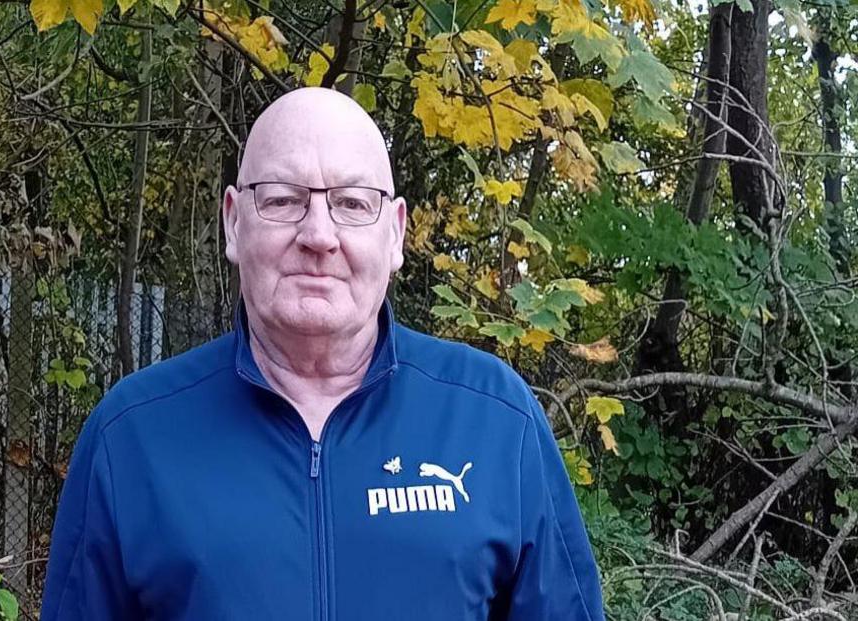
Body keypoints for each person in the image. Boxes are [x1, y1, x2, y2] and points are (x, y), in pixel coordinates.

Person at [40, 87, 604, 620]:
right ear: (234, 222)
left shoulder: (494, 419)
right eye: (284, 200)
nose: (319, 235)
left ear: (395, 234)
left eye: (352, 203)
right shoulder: (132, 436)